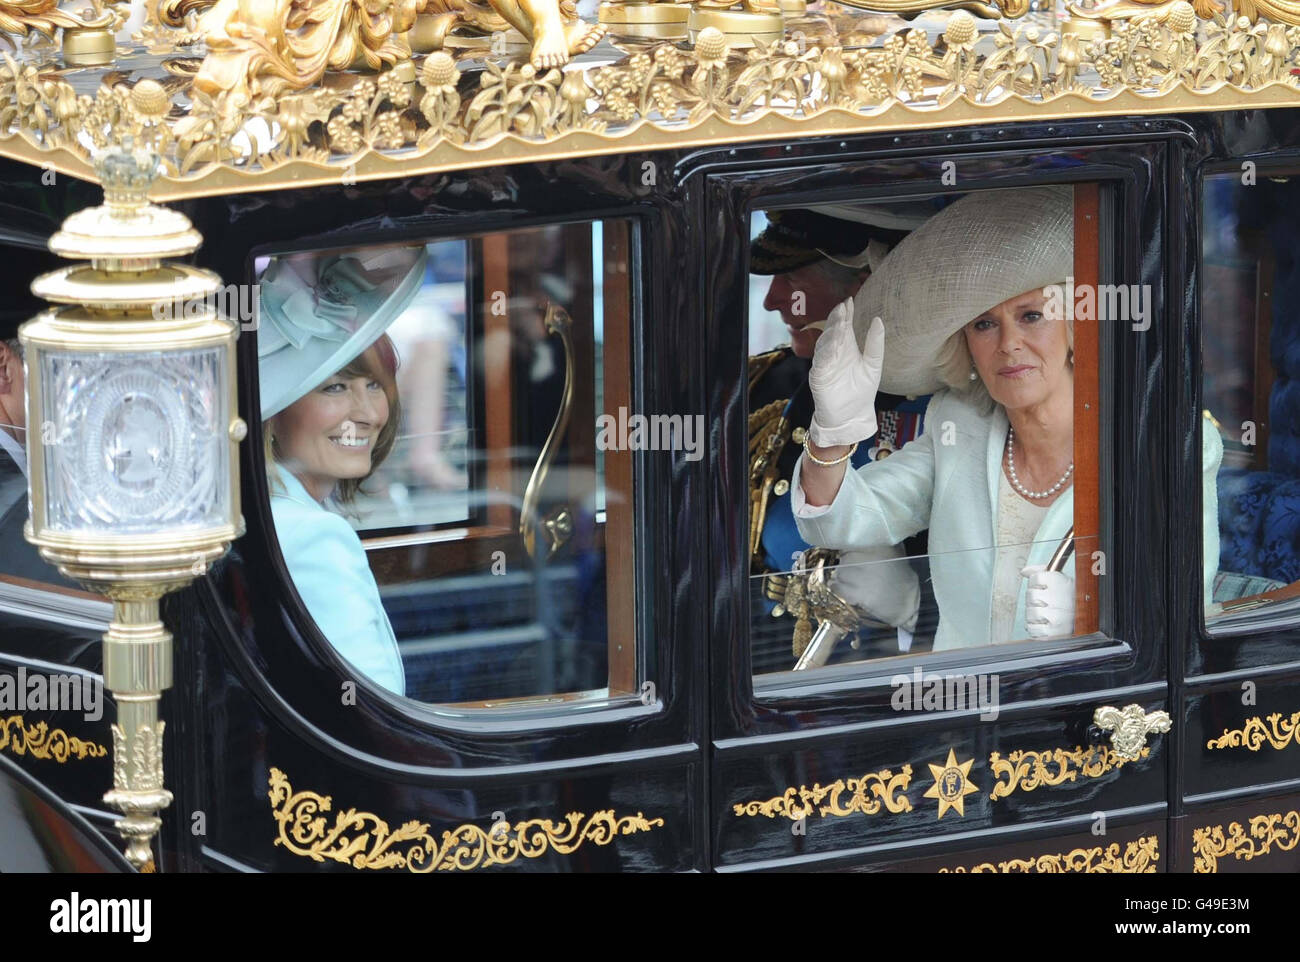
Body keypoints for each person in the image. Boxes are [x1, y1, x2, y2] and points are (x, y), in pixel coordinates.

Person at [794, 185, 1222, 650]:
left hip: (1092, 705)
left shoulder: (1162, 439)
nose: (1008, 343)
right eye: (984, 324)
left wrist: (1091, 614)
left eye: (1032, 315)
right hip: (961, 704)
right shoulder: (958, 425)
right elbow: (843, 523)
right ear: (966, 347)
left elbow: (1184, 606)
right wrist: (831, 437)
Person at [747, 207, 933, 663]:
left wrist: (919, 610)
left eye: (791, 280)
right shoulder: (767, 385)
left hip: (888, 673)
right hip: (763, 656)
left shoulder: (947, 407)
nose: (772, 300)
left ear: (868, 285)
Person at [258, 244, 429, 696]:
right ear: (272, 413)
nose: (369, 413)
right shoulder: (312, 536)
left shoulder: (271, 517)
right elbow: (375, 715)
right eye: (335, 387)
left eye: (374, 385)